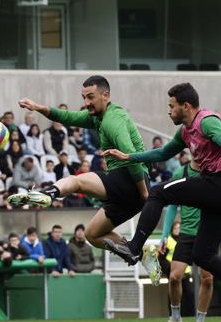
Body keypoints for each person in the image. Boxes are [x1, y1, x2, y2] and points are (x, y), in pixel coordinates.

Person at [102, 82, 221, 322]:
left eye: (171, 106)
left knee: (157, 193)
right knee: (202, 255)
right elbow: (162, 154)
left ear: (186, 106)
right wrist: (129, 156)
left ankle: (135, 247)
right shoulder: (185, 131)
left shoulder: (206, 121)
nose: (168, 111)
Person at [9, 76, 153, 277]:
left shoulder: (113, 120)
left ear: (106, 95)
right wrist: (37, 107)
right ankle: (138, 252)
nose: (86, 103)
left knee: (77, 181)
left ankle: (48, 193)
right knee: (92, 235)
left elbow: (130, 155)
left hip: (131, 178)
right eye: (84, 98)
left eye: (90, 97)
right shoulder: (97, 117)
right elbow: (66, 117)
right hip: (131, 192)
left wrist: (145, 194)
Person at [156, 159, 218, 322]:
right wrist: (164, 235)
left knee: (207, 278)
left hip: (207, 234)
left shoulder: (214, 173)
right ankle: (175, 318)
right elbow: (172, 207)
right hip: (186, 233)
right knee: (175, 277)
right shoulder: (180, 174)